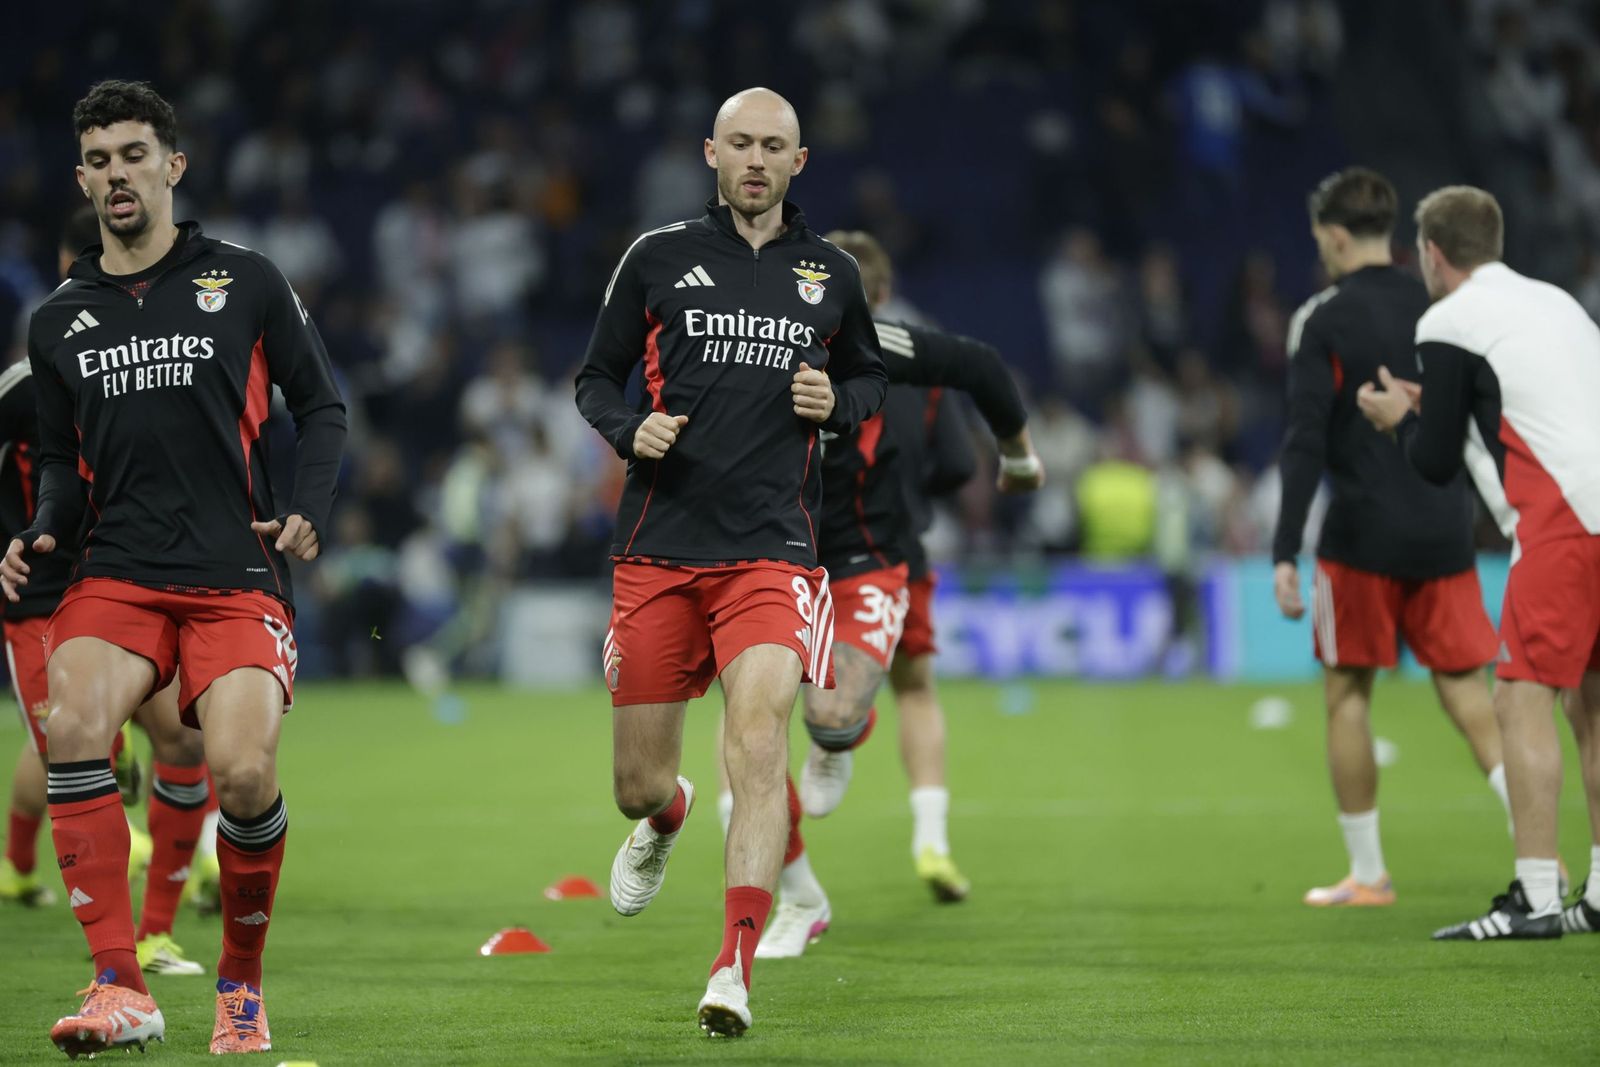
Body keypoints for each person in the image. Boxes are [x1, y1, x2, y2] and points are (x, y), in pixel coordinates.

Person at [2, 80, 346, 1055]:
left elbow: (322, 405)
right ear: (82, 178)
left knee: (240, 772)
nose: (118, 173)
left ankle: (240, 982)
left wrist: (310, 510)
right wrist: (40, 529)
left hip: (235, 566)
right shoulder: (60, 319)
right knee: (71, 724)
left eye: (134, 155)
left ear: (172, 166)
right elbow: (63, 468)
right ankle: (119, 982)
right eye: (100, 160)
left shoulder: (247, 280)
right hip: (116, 570)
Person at [573, 88, 887, 1037]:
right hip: (661, 547)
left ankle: (733, 968)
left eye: (774, 146)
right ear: (711, 151)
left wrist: (838, 399)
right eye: (741, 143)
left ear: (799, 163)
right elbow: (594, 377)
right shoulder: (657, 257)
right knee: (637, 782)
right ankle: (666, 817)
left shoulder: (830, 272)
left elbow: (870, 376)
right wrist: (633, 429)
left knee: (759, 742)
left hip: (773, 550)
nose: (756, 159)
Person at [735, 230, 1044, 960]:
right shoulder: (748, 345)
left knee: (836, 715)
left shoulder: (889, 349)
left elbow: (980, 364)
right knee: (749, 741)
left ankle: (843, 742)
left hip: (870, 553)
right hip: (773, 555)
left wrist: (1020, 453)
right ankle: (798, 894)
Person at [1357, 184, 1600, 940]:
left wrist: (1401, 419)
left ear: (1431, 253)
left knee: (1519, 696)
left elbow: (1433, 466)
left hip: (1563, 519)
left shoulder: (1448, 317)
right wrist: (1443, 405)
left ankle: (1534, 897)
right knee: (1593, 702)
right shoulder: (1554, 301)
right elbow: (1530, 402)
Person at [1272, 168, 1508, 907]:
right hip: (1445, 527)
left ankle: (1369, 874)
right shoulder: (1440, 303)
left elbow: (1305, 440)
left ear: (1335, 236)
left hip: (1360, 543)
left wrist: (1285, 549)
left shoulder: (1322, 317)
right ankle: (1543, 859)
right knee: (1471, 693)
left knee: (1347, 696)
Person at [1, 205, 220, 976]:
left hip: (126, 578)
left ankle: (154, 935)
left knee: (185, 741)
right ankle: (26, 871)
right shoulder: (28, 379)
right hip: (38, 596)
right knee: (71, 745)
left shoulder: (159, 357)